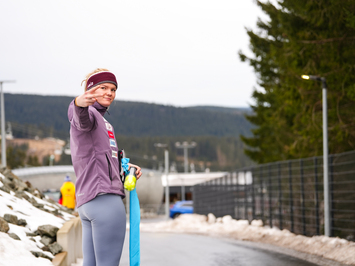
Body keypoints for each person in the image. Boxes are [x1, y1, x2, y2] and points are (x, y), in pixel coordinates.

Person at [68, 68, 142, 266]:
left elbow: (98, 157)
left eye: (113, 89)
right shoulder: (89, 115)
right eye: (103, 88)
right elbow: (80, 118)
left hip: (87, 202)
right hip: (105, 201)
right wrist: (78, 104)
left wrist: (123, 166)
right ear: (90, 91)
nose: (109, 92)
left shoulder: (104, 122)